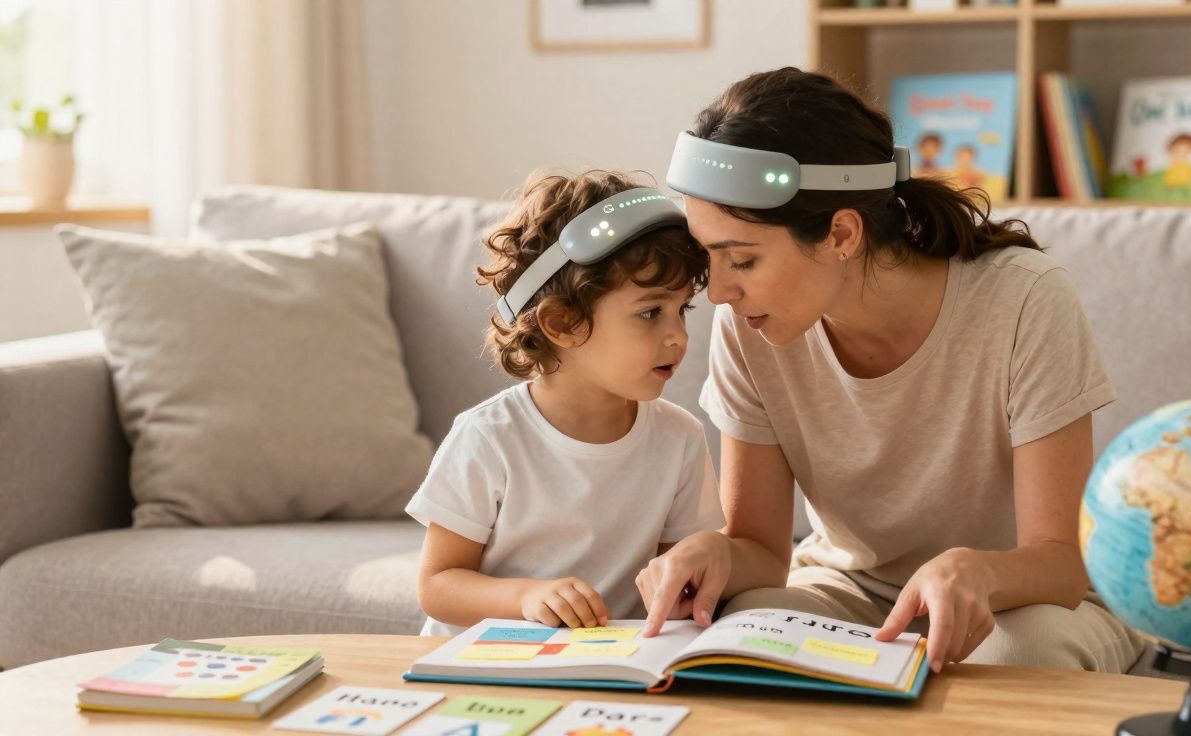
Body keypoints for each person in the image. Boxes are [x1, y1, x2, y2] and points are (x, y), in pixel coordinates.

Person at [636, 67, 1144, 675]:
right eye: (708, 259)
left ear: (842, 233)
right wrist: (710, 551)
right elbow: (763, 553)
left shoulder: (1025, 301)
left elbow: (1063, 561)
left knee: (1022, 656)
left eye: (741, 259)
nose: (718, 292)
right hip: (850, 594)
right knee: (745, 627)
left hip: (1023, 602)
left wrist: (976, 570)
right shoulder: (748, 328)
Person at [408, 170, 724, 636]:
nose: (678, 336)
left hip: (608, 664)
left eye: (683, 310)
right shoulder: (489, 437)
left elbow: (677, 575)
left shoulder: (680, 438)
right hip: (487, 664)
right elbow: (437, 586)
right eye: (650, 312)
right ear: (562, 324)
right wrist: (526, 597)